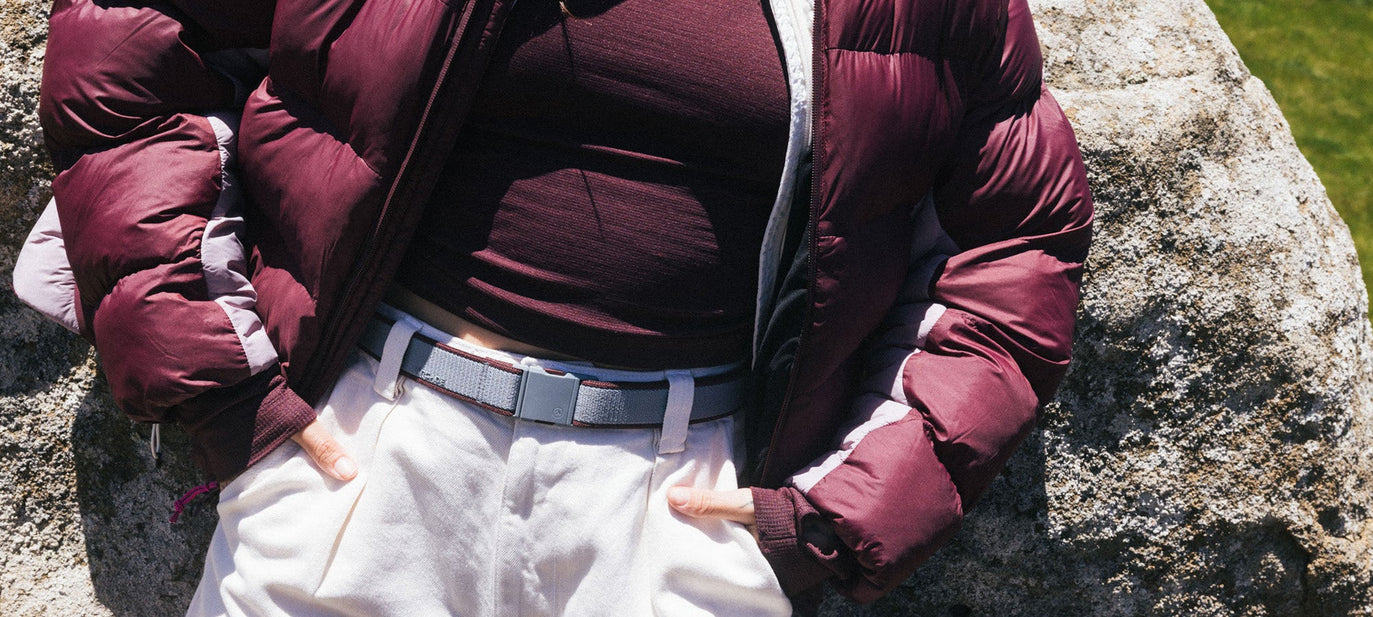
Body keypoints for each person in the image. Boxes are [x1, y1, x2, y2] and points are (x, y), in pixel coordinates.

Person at [25, 0, 1092, 613]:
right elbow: (132, 52)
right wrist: (229, 398)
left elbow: (1017, 248)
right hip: (362, 461)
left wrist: (829, 519)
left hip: (681, 516)